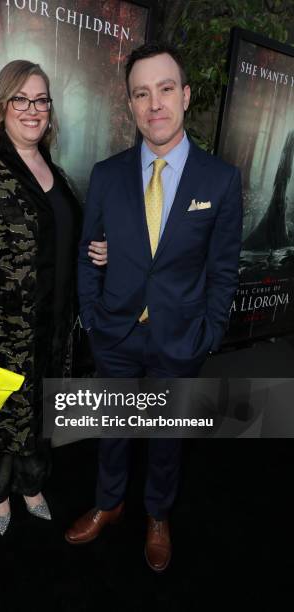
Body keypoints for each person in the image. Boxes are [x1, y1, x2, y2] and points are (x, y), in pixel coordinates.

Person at [65, 43, 243, 571]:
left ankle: (158, 514)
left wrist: (209, 333)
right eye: (141, 93)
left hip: (181, 338)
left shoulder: (221, 179)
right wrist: (93, 318)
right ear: (130, 105)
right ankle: (108, 502)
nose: (155, 103)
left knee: (167, 439)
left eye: (166, 89)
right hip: (115, 334)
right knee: (113, 431)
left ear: (185, 96)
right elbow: (88, 253)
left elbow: (224, 268)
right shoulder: (106, 174)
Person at [0, 60, 107, 535]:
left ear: (50, 109)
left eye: (41, 99)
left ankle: (32, 484)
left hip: (53, 326)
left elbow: (65, 242)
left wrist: (97, 250)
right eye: (22, 99)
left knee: (38, 414)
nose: (32, 109)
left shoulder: (59, 175)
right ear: (2, 104)